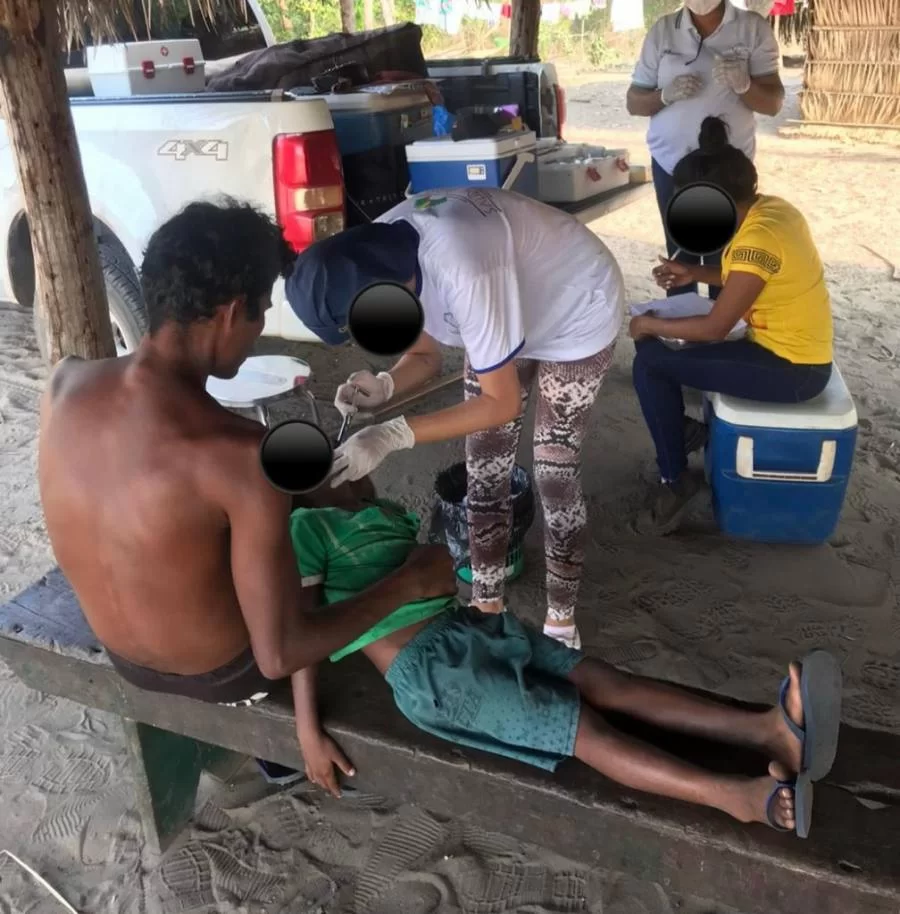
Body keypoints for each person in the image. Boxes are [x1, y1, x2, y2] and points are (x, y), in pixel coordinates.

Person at [37, 198, 457, 730]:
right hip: (223, 674)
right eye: (259, 310)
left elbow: (157, 483)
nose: (257, 331)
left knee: (297, 504)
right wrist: (409, 583)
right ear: (234, 312)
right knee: (335, 542)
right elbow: (280, 655)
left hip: (123, 657)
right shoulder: (241, 455)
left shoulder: (65, 382)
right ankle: (286, 751)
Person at [288, 494, 843, 840]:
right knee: (582, 729)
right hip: (433, 673)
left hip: (471, 629)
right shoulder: (304, 529)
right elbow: (301, 637)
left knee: (607, 682)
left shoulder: (376, 506)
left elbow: (434, 570)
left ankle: (769, 732)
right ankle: (735, 799)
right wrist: (307, 731)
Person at [285, 187, 627, 650]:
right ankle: (487, 608)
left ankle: (561, 622)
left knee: (554, 469)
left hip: (573, 306)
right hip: (508, 304)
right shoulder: (381, 249)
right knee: (484, 468)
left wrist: (394, 433)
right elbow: (425, 352)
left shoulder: (464, 266)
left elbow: (499, 402)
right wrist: (386, 384)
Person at [629, 116, 834, 534]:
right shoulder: (772, 210)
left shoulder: (755, 241)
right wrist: (693, 274)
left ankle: (675, 479)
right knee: (655, 352)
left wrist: (650, 324)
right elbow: (751, 278)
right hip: (789, 351)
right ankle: (681, 432)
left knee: (650, 359)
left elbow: (714, 328)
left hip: (793, 369)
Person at [626, 0, 784, 299]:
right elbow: (634, 102)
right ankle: (684, 332)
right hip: (671, 164)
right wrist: (665, 95)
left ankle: (721, 331)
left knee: (726, 256)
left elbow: (773, 104)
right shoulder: (663, 32)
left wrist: (745, 85)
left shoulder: (752, 28)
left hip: (729, 171)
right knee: (680, 255)